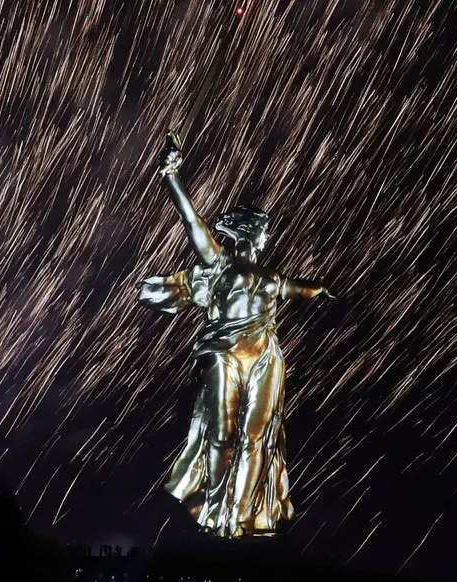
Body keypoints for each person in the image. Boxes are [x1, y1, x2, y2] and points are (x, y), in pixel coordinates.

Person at [138, 132, 333, 538]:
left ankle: (238, 516)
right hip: (223, 353)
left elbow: (303, 288)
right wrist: (170, 174)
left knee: (256, 437)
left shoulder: (271, 278)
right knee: (225, 434)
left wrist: (324, 291)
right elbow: (191, 220)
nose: (265, 238)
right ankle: (217, 510)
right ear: (253, 233)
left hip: (264, 356)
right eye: (264, 232)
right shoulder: (219, 261)